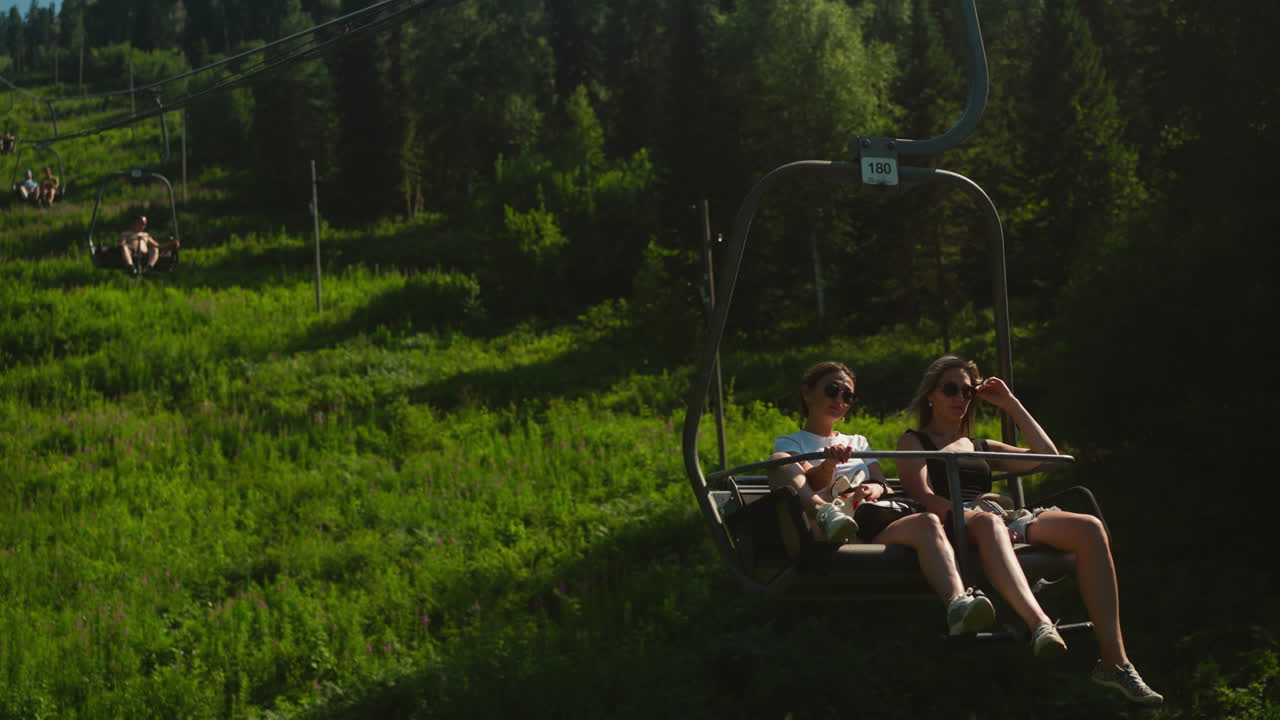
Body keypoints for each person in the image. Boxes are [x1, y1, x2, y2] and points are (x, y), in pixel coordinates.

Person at [895, 355, 1162, 705]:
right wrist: (972, 515)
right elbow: (923, 495)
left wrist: (1011, 404)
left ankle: (1115, 662)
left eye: (966, 391)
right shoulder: (914, 441)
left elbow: (1046, 457)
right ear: (931, 394)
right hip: (956, 521)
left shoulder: (980, 446)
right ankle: (1040, 623)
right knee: (991, 521)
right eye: (950, 389)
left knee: (1090, 528)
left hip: (1003, 518)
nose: (960, 397)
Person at [767, 361, 998, 636]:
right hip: (826, 522)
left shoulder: (859, 441)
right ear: (807, 393)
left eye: (847, 396)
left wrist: (873, 489)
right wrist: (828, 465)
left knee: (928, 522)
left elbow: (882, 484)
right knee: (779, 461)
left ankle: (957, 605)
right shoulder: (792, 443)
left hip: (867, 519)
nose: (839, 400)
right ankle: (826, 513)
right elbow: (809, 483)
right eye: (832, 390)